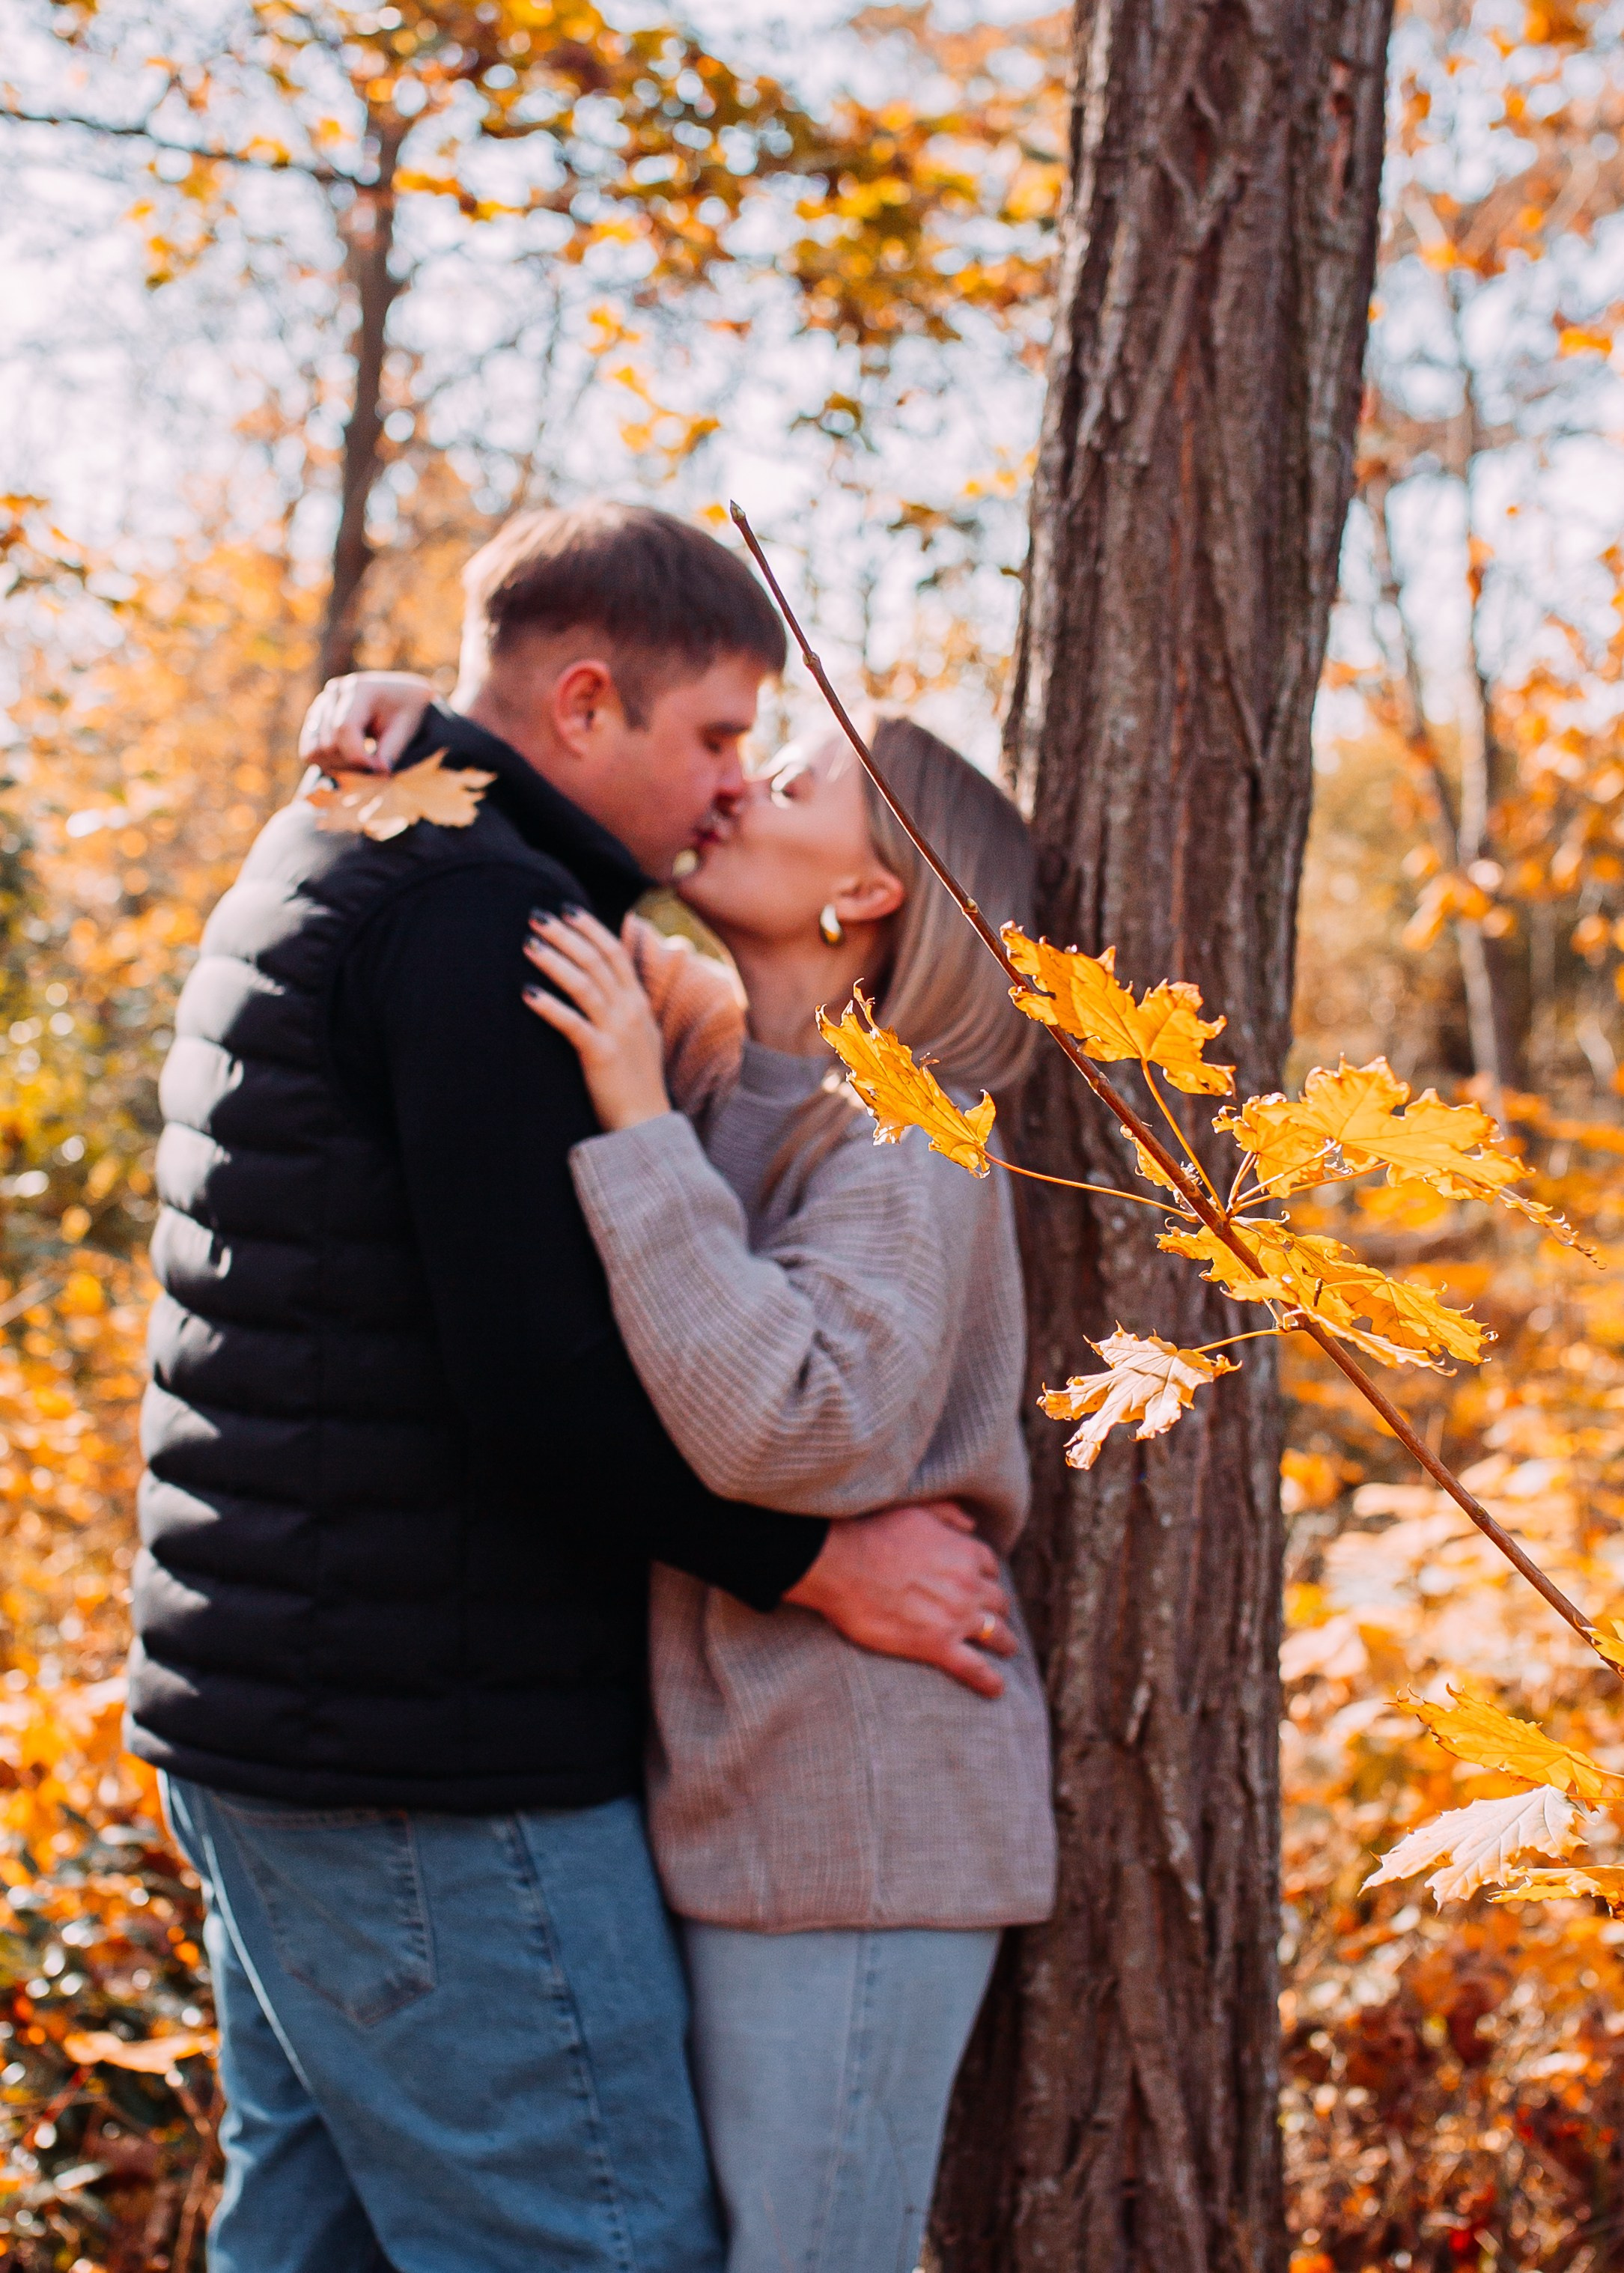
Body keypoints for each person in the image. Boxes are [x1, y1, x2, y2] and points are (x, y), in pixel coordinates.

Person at [133, 502, 1021, 2273]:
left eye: (770, 769)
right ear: (590, 706)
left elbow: (776, 1349)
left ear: (867, 892)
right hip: (412, 1740)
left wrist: (429, 732)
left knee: (316, 2241)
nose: (728, 786)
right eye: (715, 742)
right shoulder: (506, 932)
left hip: (347, 1718)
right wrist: (812, 1563)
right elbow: (536, 1382)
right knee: (589, 2247)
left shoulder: (440, 879)